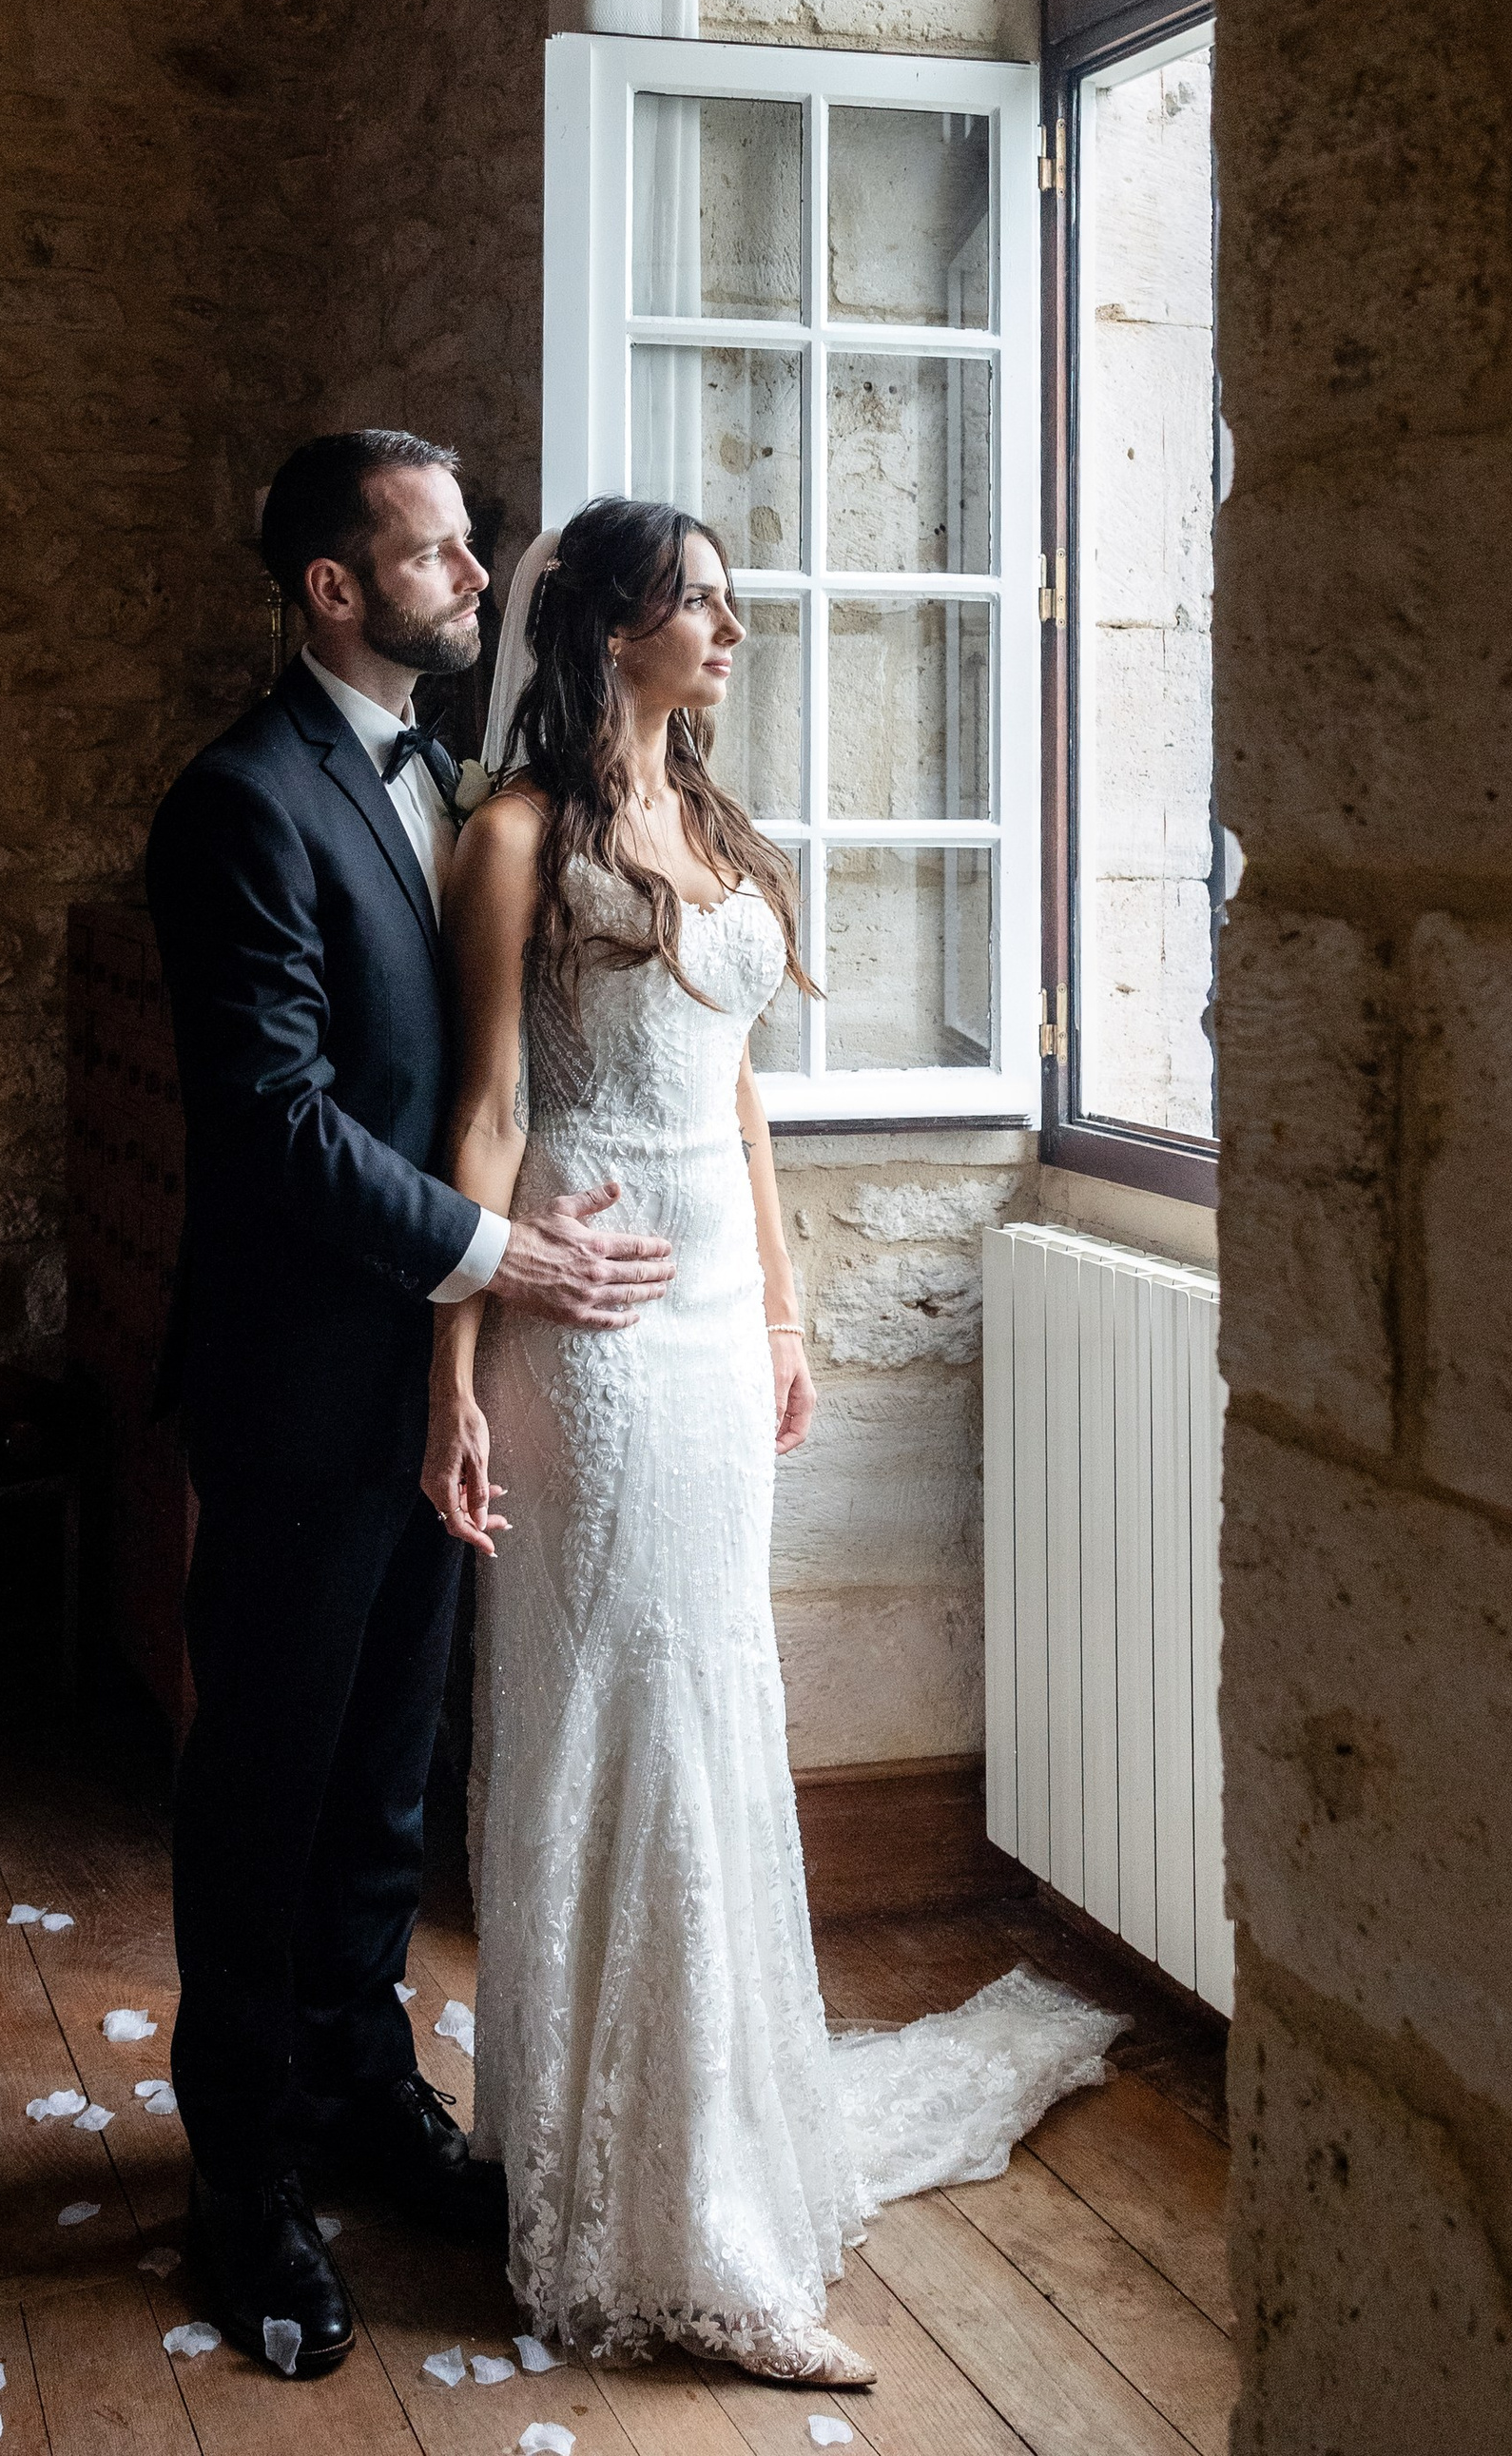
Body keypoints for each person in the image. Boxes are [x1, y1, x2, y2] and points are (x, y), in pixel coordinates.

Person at [427, 497, 1125, 2387]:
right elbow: (479, 1118)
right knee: (616, 1711)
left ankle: (705, 2141)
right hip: (585, 1322)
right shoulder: (504, 841)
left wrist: (790, 1311)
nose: (733, 627)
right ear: (610, 626)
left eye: (731, 597)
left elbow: (738, 1103)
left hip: (721, 1322)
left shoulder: (715, 835)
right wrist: (453, 1378)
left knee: (714, 1696)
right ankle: (644, 2212)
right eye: (702, 599)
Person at [145, 432, 677, 2383]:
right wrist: (501, 1256)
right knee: (265, 1787)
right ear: (331, 592)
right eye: (436, 550)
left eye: (470, 546)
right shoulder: (233, 807)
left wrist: (476, 1322)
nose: (477, 571)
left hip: (434, 1385)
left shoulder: (458, 787)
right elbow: (278, 1126)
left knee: (382, 1780)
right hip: (293, 1391)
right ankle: (244, 2180)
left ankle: (366, 2092)